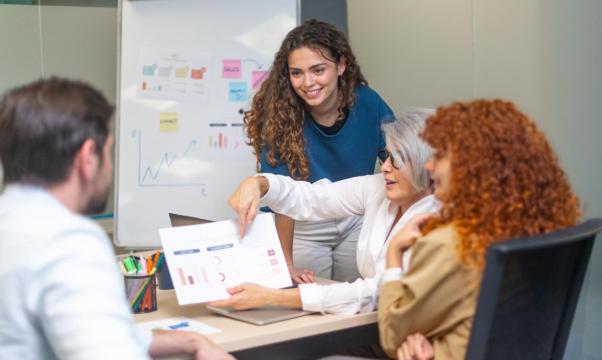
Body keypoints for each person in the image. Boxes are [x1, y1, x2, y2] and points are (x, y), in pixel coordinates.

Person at [0, 78, 233, 360]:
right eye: (108, 152)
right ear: (88, 157)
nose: (109, 167)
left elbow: (84, 331)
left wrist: (189, 340)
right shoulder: (68, 241)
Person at [377, 99, 581, 360]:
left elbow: (392, 335)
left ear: (473, 166)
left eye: (439, 156)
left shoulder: (452, 244)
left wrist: (394, 253)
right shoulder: (535, 231)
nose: (429, 166)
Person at [213, 109, 437, 316]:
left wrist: (275, 297)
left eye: (396, 160)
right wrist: (259, 184)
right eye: (387, 156)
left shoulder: (437, 218)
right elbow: (313, 199)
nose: (386, 166)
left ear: (426, 165)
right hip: (380, 322)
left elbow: (375, 293)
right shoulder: (377, 188)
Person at [244, 19, 394, 283]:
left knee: (359, 302)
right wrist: (286, 264)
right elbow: (282, 197)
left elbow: (398, 162)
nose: (307, 82)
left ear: (341, 65)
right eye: (297, 73)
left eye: (318, 70)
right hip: (304, 225)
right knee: (310, 299)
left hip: (356, 219)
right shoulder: (279, 116)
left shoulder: (369, 103)